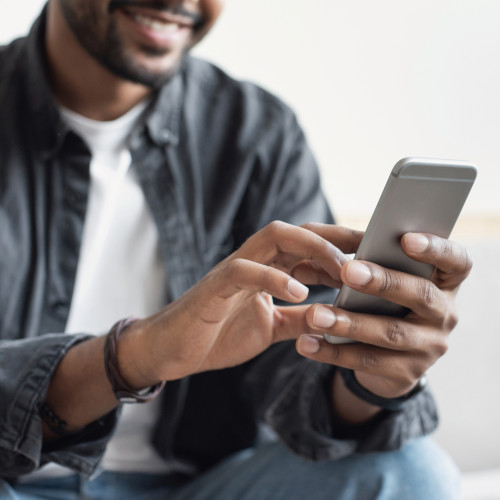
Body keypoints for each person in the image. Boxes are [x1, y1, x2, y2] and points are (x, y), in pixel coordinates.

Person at [0, 1, 471, 498]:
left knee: (415, 473)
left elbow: (300, 375)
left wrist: (373, 383)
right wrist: (137, 355)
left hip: (198, 487)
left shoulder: (258, 134)